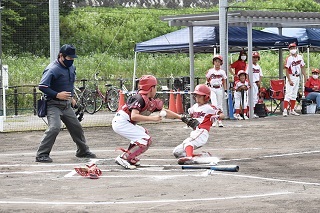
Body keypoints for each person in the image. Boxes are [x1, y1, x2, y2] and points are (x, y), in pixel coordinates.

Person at [36, 44, 96, 163]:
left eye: (73, 58)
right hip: (53, 104)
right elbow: (42, 86)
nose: (71, 60)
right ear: (61, 56)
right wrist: (57, 94)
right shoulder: (52, 69)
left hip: (67, 104)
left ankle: (82, 151)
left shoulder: (71, 67)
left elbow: (69, 84)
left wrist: (71, 97)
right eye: (69, 58)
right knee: (54, 128)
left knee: (76, 128)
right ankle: (42, 154)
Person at [112, 75, 179, 169]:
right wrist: (153, 118)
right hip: (121, 122)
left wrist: (181, 117)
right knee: (145, 139)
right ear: (151, 88)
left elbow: (166, 112)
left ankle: (130, 156)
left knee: (144, 133)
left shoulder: (149, 101)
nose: (156, 89)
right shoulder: (139, 98)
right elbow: (134, 116)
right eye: (155, 87)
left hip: (125, 122)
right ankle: (124, 157)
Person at [172, 84, 224, 165]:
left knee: (188, 142)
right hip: (195, 132)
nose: (197, 98)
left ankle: (190, 158)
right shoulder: (194, 107)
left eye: (200, 96)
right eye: (196, 96)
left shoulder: (209, 107)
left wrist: (217, 116)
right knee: (177, 152)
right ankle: (202, 156)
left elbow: (222, 115)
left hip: (202, 132)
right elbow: (189, 116)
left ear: (206, 97)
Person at [283, 42, 307, 116]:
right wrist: (289, 80)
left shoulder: (300, 57)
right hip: (291, 76)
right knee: (288, 93)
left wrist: (305, 76)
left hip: (297, 76)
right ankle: (284, 110)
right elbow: (286, 69)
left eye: (293, 48)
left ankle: (292, 110)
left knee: (294, 94)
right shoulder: (289, 58)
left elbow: (302, 66)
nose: (292, 49)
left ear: (296, 48)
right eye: (291, 48)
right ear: (289, 50)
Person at [205, 55, 227, 127]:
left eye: (218, 62)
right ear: (213, 62)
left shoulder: (222, 72)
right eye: (216, 61)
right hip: (212, 88)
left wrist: (226, 90)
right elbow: (207, 79)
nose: (217, 63)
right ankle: (214, 120)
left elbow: (224, 81)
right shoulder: (210, 71)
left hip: (219, 88)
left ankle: (219, 121)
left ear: (221, 63)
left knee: (220, 105)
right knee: (214, 105)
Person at [246, 51, 263, 118]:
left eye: (256, 57)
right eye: (254, 57)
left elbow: (261, 75)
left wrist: (259, 82)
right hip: (251, 83)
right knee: (250, 99)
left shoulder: (258, 66)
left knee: (255, 99)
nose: (255, 59)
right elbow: (246, 74)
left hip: (256, 84)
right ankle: (248, 113)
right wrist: (248, 82)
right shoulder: (249, 65)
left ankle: (252, 112)